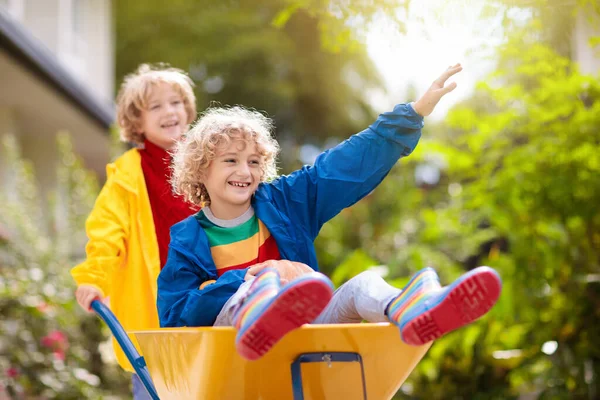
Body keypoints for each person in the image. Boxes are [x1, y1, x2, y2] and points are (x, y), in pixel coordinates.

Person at [157, 64, 502, 361]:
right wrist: (247, 280)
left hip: (304, 341)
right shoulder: (188, 239)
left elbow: (343, 168)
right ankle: (257, 309)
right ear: (201, 170)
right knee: (253, 289)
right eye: (230, 161)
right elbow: (175, 316)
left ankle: (411, 310)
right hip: (231, 351)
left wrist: (413, 114)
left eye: (253, 161)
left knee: (364, 284)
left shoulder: (285, 202)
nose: (244, 172)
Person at [71, 64, 198, 397]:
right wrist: (94, 278)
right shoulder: (128, 174)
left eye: (176, 102)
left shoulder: (207, 161)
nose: (169, 111)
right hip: (155, 311)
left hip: (209, 301)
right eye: (155, 106)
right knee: (154, 387)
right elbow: (106, 230)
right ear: (136, 122)